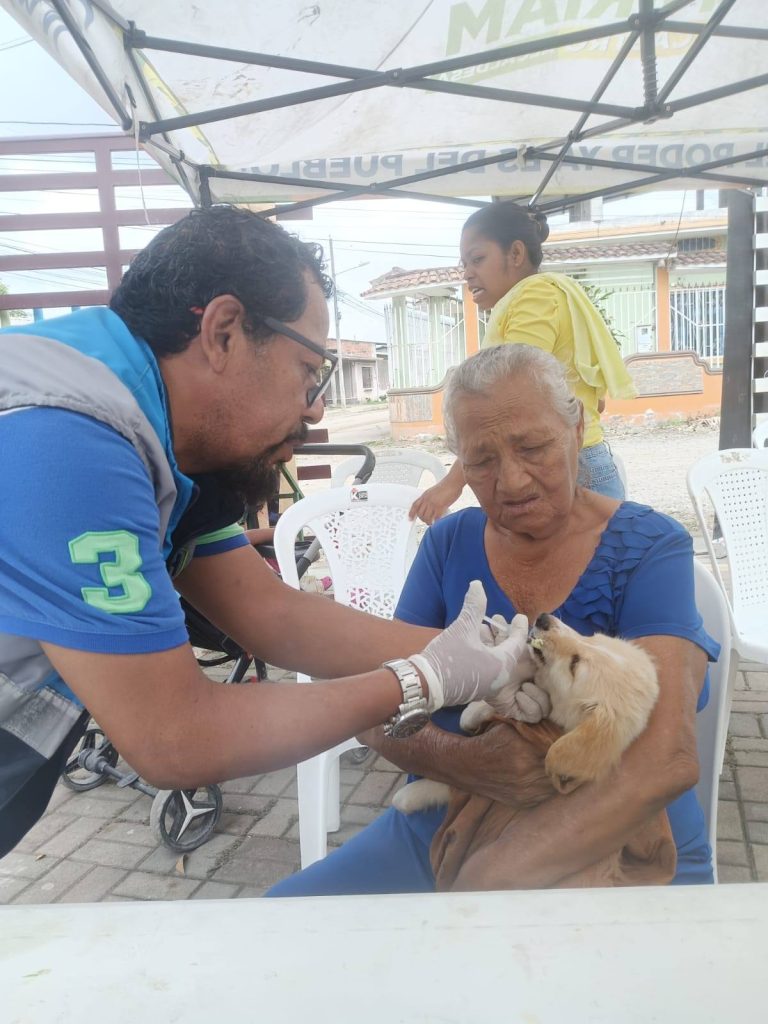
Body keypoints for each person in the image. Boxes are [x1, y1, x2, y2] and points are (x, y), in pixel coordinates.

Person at [0, 206, 531, 858]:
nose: (316, 406)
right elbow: (175, 736)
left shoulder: (156, 437)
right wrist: (423, 680)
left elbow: (272, 614)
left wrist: (483, 656)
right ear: (223, 332)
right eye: (309, 370)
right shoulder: (69, 438)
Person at [268, 344, 718, 897]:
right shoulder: (448, 544)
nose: (513, 481)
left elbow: (664, 762)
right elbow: (373, 708)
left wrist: (491, 881)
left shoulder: (649, 547)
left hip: (618, 833)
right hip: (456, 813)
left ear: (576, 429)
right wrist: (470, 762)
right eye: (480, 461)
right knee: (286, 915)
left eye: (533, 447)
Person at [410, 201, 636, 524]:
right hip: (571, 461)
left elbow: (507, 401)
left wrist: (451, 485)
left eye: (477, 259)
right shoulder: (540, 297)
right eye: (464, 263)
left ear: (516, 255)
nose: (467, 273)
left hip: (570, 469)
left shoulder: (535, 298)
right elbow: (593, 400)